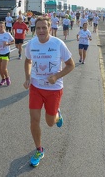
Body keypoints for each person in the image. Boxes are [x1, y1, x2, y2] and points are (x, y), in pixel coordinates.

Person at [23, 16, 75, 167]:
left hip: (54, 89)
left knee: (50, 122)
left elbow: (70, 65)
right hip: (36, 88)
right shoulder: (31, 44)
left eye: (44, 27)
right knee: (34, 120)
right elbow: (27, 61)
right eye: (38, 28)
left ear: (49, 28)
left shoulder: (58, 44)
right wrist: (27, 77)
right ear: (35, 29)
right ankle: (39, 149)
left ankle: (57, 115)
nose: (41, 31)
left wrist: (57, 76)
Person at [0, 21, 15, 86]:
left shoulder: (7, 34)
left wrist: (8, 44)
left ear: (4, 27)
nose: (0, 28)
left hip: (6, 53)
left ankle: (7, 78)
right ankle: (3, 79)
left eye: (1, 26)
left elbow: (13, 41)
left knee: (3, 68)